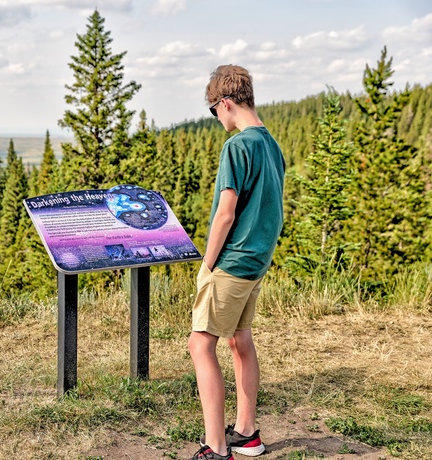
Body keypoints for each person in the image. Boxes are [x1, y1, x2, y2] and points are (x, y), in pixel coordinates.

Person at [188, 65, 285, 460]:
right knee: (239, 340)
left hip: (231, 262)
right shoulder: (271, 143)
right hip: (257, 261)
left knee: (200, 345)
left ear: (224, 103)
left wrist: (207, 265)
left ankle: (215, 447)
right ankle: (246, 433)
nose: (217, 121)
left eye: (215, 112)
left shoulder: (238, 146)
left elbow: (225, 214)